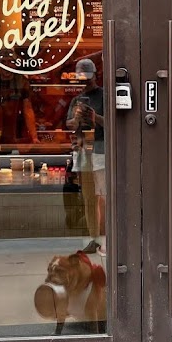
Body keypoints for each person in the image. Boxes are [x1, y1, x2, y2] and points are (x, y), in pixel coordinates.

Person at [66, 58, 106, 255]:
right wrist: (76, 118)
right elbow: (69, 125)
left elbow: (114, 124)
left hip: (102, 149)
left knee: (105, 197)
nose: (84, 83)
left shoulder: (104, 96)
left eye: (87, 79)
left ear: (95, 76)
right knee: (89, 198)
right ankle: (94, 238)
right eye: (81, 79)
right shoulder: (76, 100)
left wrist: (94, 117)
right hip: (84, 152)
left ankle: (106, 238)